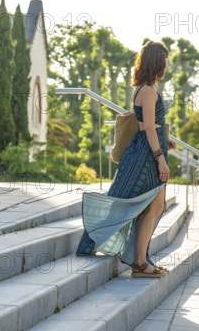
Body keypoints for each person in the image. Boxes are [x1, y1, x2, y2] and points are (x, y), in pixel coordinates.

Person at [75, 41, 177, 278]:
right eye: (164, 60)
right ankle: (139, 263)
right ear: (156, 62)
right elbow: (148, 128)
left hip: (148, 148)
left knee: (152, 205)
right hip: (146, 155)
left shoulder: (143, 88)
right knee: (144, 204)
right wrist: (161, 159)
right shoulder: (149, 90)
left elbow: (146, 124)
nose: (166, 64)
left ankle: (141, 261)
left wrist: (165, 139)